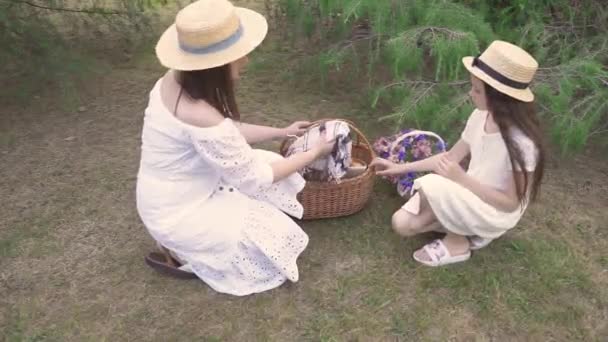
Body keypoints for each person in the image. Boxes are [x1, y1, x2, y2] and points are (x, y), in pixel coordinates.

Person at [136, 0, 335, 295]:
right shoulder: (199, 113)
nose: (246, 60)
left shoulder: (174, 80)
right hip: (178, 211)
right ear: (215, 67)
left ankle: (189, 245)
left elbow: (227, 133)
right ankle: (182, 253)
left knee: (269, 160)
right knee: (273, 238)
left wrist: (282, 131)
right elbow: (255, 178)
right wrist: (313, 152)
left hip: (185, 187)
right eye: (238, 55)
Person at [370, 40, 546, 267]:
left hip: (493, 209)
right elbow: (449, 158)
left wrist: (460, 179)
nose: (471, 93)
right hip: (466, 194)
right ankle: (469, 229)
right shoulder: (480, 116)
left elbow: (510, 204)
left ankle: (458, 244)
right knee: (402, 223)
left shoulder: (521, 142)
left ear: (499, 98)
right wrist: (398, 167)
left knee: (434, 184)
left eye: (477, 90)